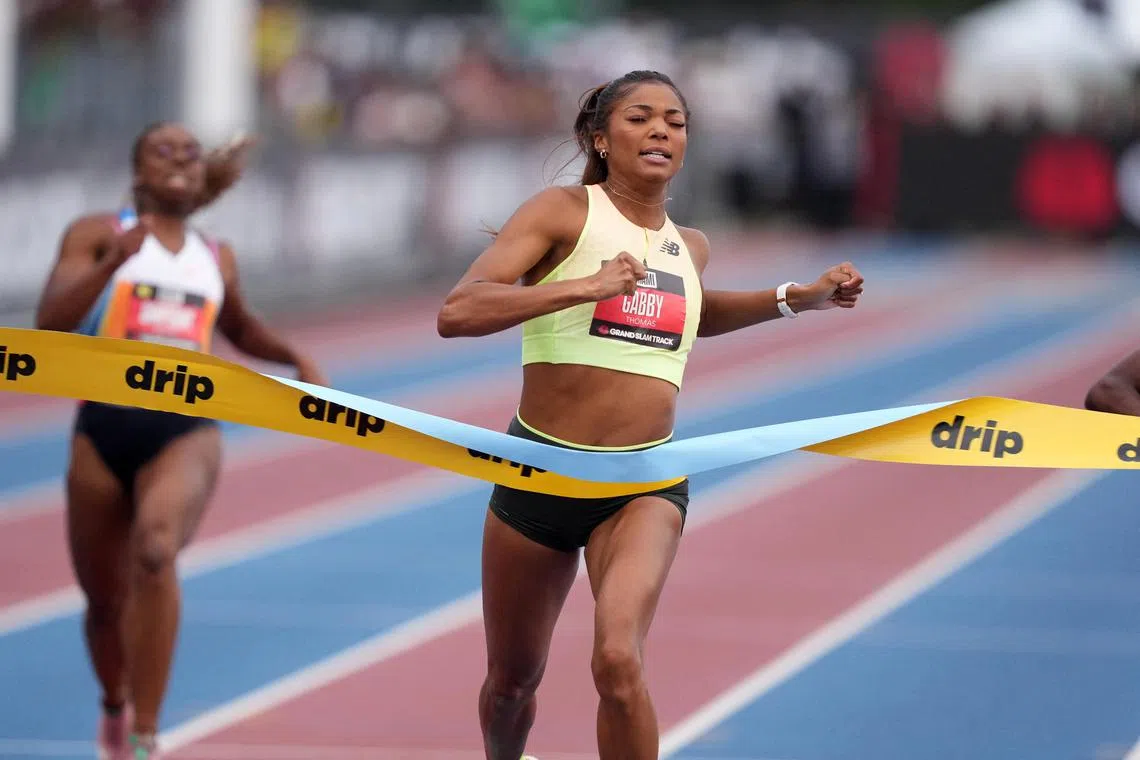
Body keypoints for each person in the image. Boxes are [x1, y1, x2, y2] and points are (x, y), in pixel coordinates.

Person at [436, 70, 865, 760]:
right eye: (641, 118)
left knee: (619, 661)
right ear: (602, 138)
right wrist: (587, 285)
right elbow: (458, 311)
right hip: (539, 474)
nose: (662, 130)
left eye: (676, 120)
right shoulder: (561, 213)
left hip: (642, 484)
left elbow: (694, 312)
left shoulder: (688, 245)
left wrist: (797, 298)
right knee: (512, 684)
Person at [35, 122, 326, 760]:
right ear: (137, 171)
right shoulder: (95, 234)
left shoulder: (214, 256)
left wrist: (293, 357)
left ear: (200, 180)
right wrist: (113, 262)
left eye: (190, 154)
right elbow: (49, 326)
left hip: (185, 429)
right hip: (102, 426)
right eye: (163, 150)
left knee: (156, 550)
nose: (179, 158)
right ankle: (114, 704)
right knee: (104, 602)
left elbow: (239, 326)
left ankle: (145, 736)